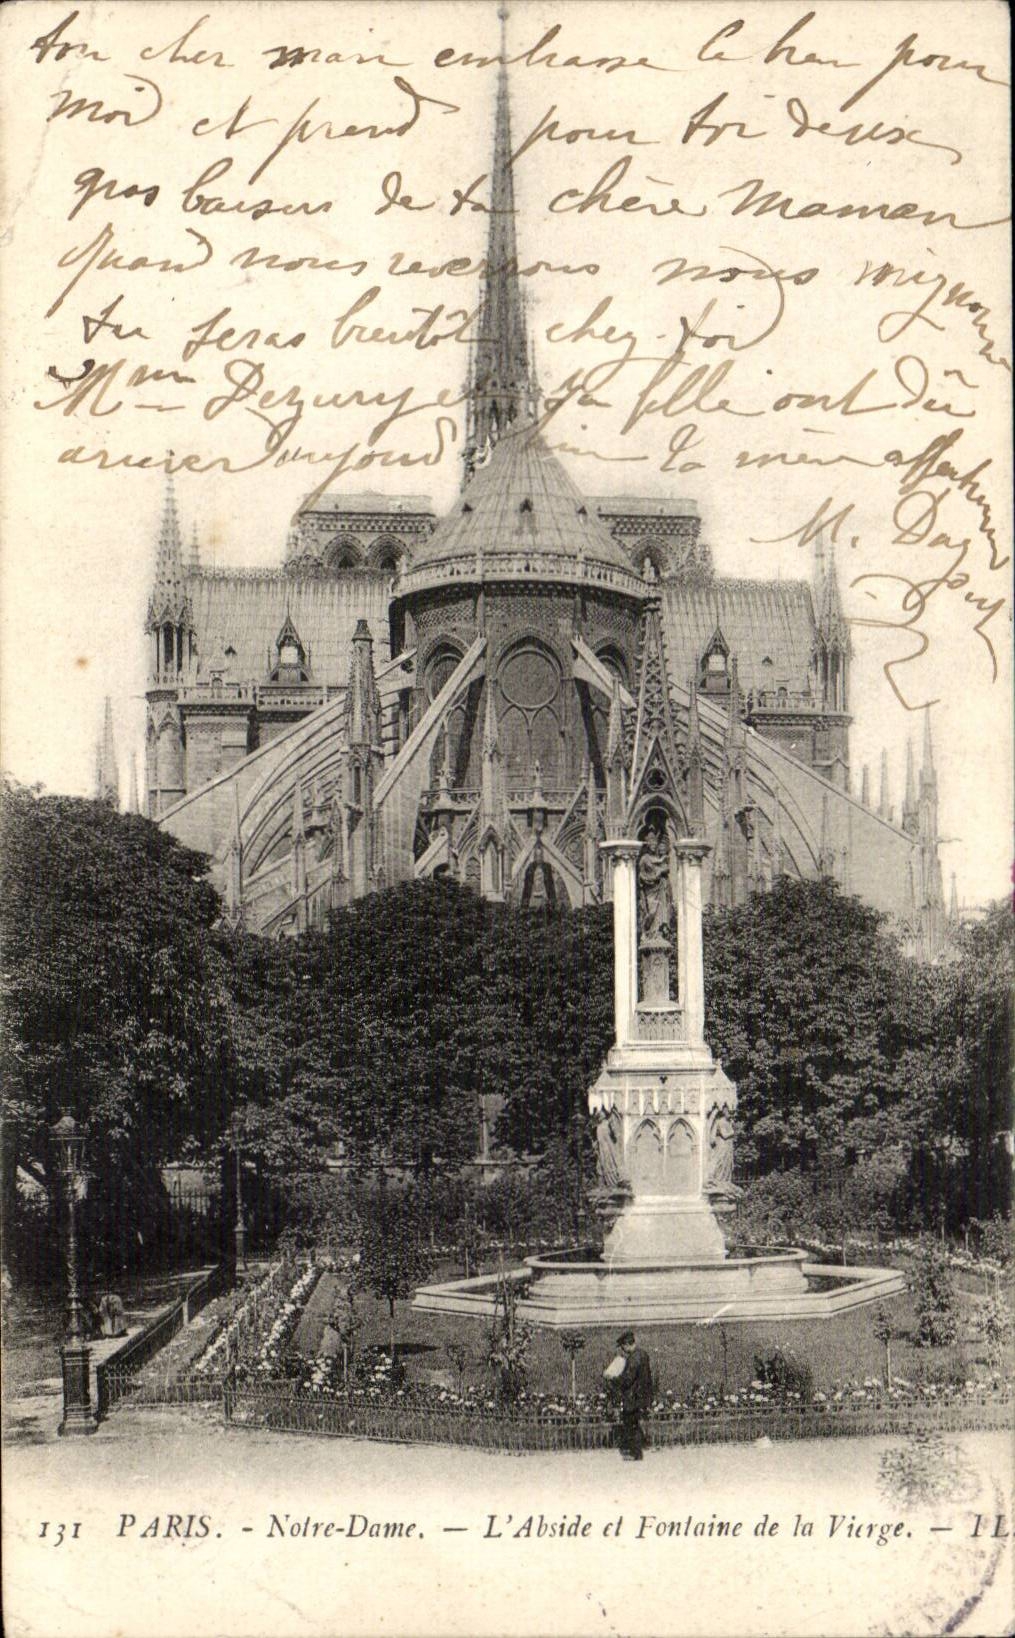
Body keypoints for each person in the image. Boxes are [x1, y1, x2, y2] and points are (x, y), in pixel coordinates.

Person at [609, 1330, 653, 1460]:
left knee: (630, 1424)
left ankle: (636, 1453)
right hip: (641, 1395)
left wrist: (613, 1378)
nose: (623, 1350)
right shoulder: (643, 1354)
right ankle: (636, 1451)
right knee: (634, 1424)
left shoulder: (634, 1358)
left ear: (627, 1344)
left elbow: (627, 1379)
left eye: (623, 1347)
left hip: (633, 1397)